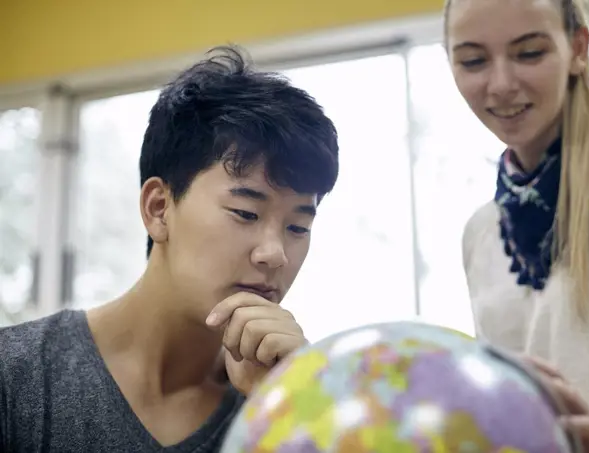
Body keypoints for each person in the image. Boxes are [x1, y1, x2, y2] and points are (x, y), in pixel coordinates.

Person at [0, 46, 339, 452]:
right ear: (159, 209)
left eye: (298, 226)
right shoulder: (15, 377)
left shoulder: (288, 397)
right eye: (246, 213)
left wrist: (284, 411)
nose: (275, 253)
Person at [445, 0, 589, 452]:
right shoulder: (481, 232)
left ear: (578, 48)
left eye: (529, 53)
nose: (501, 85)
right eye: (473, 60)